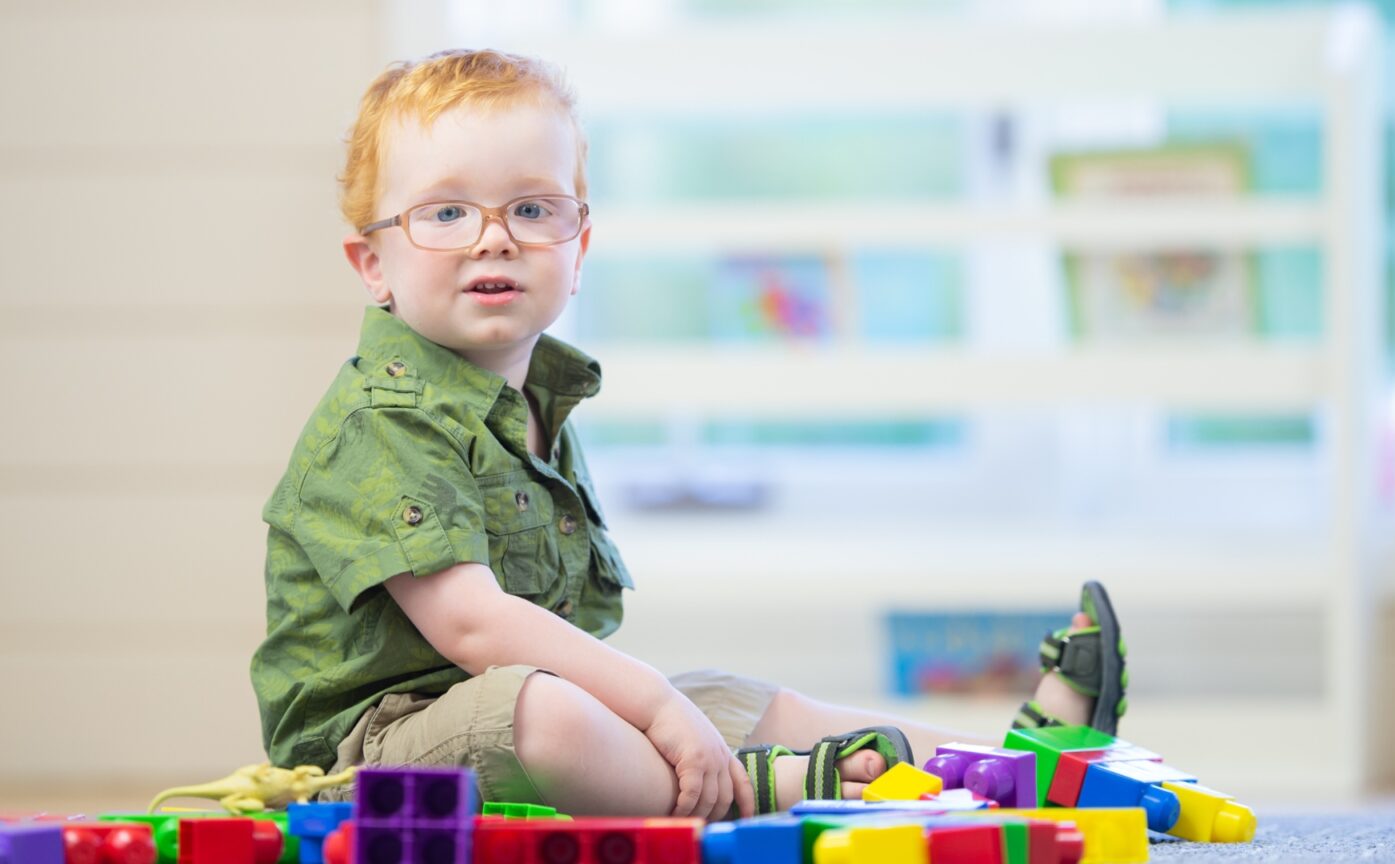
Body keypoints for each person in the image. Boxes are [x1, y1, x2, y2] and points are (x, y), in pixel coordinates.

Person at [249, 48, 1127, 822]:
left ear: (580, 247)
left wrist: (671, 707)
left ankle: (1007, 766)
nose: (494, 240)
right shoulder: (385, 418)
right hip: (378, 756)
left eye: (531, 209)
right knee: (558, 713)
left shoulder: (532, 402)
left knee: (734, 698)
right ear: (374, 267)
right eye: (444, 214)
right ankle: (766, 786)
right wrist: (655, 707)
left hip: (521, 704)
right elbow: (475, 628)